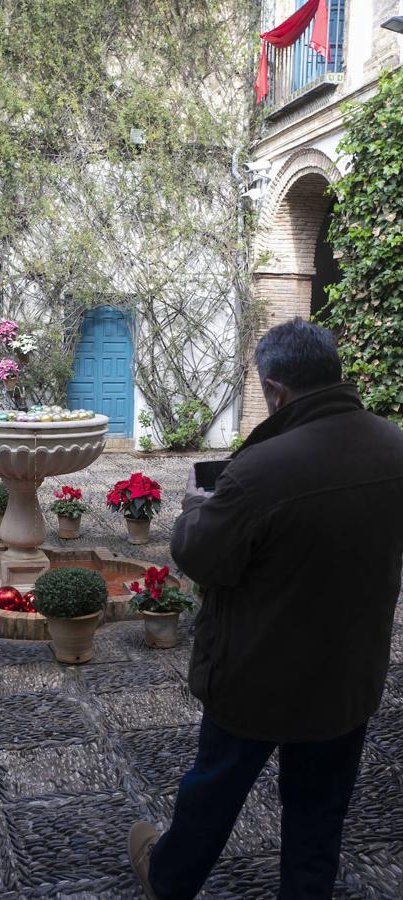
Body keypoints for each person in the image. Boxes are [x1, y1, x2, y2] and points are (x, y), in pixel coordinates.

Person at [128, 317, 403, 900]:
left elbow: (202, 558)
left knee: (216, 786)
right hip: (348, 672)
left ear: (275, 390)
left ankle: (170, 876)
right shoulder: (393, 445)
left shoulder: (260, 469)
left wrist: (196, 510)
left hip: (258, 671)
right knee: (320, 809)